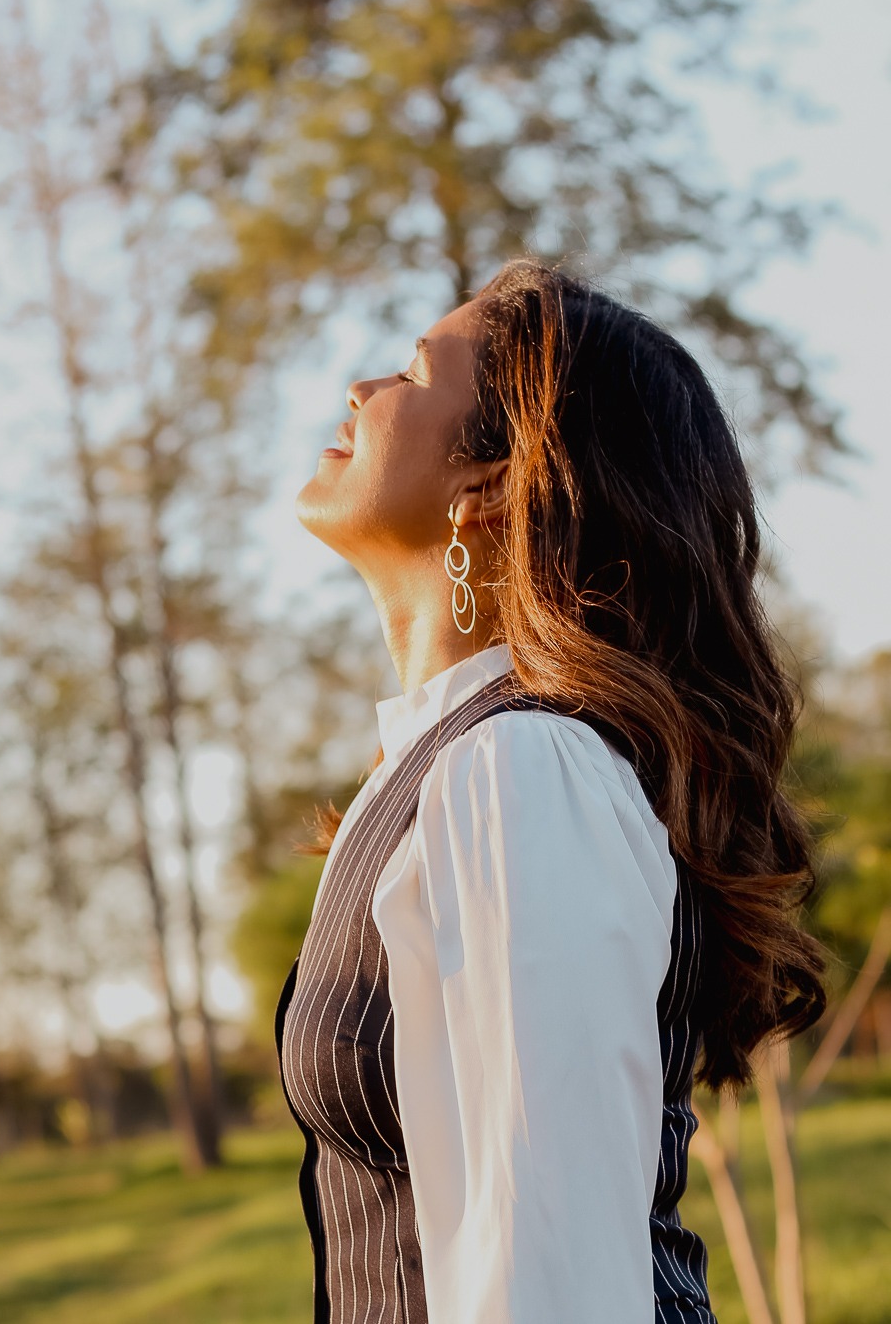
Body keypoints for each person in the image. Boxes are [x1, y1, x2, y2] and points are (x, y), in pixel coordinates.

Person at [275, 257, 826, 1324]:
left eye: (411, 371)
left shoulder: (524, 770)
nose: (362, 389)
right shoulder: (448, 763)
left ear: (489, 483)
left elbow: (555, 1270)